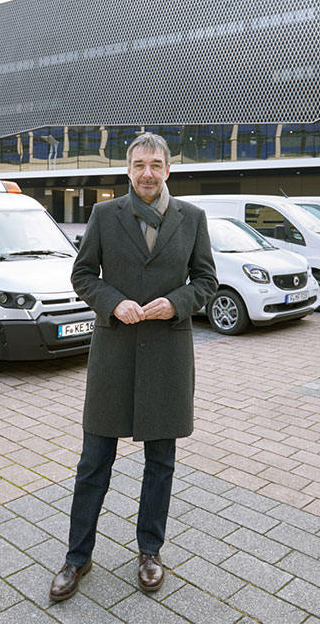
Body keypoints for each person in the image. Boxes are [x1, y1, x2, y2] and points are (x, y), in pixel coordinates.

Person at [49, 132, 217, 601]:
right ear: (128, 170)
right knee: (93, 462)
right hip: (115, 354)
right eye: (139, 164)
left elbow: (206, 279)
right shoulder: (105, 215)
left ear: (168, 169)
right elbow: (82, 275)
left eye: (156, 164)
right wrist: (114, 302)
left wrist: (177, 303)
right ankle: (76, 557)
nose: (147, 172)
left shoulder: (193, 218)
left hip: (167, 355)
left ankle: (150, 551)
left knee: (160, 463)